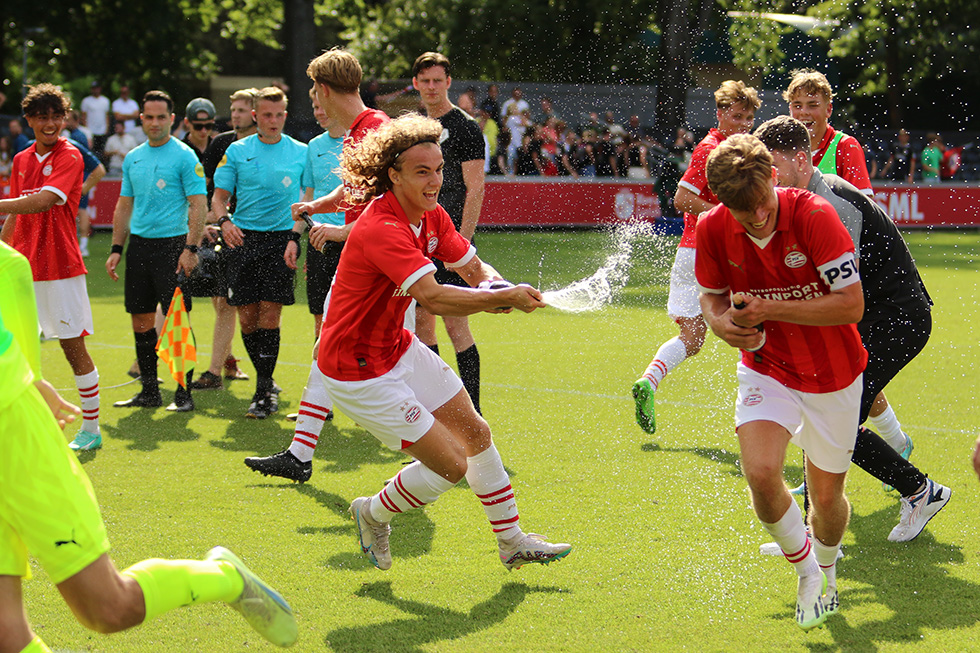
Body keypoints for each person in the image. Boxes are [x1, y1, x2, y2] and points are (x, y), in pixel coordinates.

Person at [0, 239, 299, 652]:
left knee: (107, 609)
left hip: (13, 436)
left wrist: (28, 382)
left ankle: (224, 578)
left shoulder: (7, 264)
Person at [320, 112, 571, 571]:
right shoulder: (382, 228)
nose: (435, 181)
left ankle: (512, 541)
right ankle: (370, 512)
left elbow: (475, 270)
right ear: (393, 175)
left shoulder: (432, 215)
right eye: (422, 172)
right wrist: (494, 299)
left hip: (395, 347)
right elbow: (432, 296)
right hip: (357, 372)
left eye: (439, 169)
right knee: (452, 466)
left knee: (476, 431)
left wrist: (497, 287)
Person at [696, 133, 866, 629]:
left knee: (828, 500)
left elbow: (851, 304)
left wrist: (770, 307)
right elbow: (711, 297)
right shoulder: (712, 227)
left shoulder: (813, 214)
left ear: (775, 176)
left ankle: (829, 570)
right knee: (762, 473)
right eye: (744, 213)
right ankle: (809, 571)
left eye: (763, 206)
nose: (758, 219)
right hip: (766, 367)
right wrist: (719, 322)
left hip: (834, 376)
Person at [755, 115, 951, 543]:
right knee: (820, 416)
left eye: (772, 167)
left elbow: (844, 292)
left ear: (803, 161)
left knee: (831, 421)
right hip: (874, 320)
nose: (765, 178)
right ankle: (823, 533)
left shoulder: (834, 203)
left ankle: (920, 491)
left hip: (897, 321)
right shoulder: (799, 199)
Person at [244, 47, 389, 481]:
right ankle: (300, 453)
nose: (315, 101)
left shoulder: (373, 130)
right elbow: (356, 190)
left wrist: (343, 232)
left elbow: (386, 202)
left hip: (379, 262)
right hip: (365, 259)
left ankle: (447, 445)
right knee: (328, 345)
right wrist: (319, 204)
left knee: (397, 356)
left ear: (324, 89)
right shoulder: (365, 128)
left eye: (314, 92)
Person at [632, 80, 760, 433]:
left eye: (748, 118)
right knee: (755, 327)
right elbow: (682, 200)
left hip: (691, 251)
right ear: (719, 114)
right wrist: (730, 215)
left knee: (692, 337)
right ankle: (759, 414)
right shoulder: (711, 148)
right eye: (736, 116)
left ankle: (649, 382)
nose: (743, 124)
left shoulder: (739, 147)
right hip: (712, 252)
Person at [0, 83, 103, 452]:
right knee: (17, 350)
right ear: (28, 119)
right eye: (41, 117)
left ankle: (91, 429)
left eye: (56, 116)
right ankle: (25, 427)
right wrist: (4, 249)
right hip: (23, 269)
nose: (50, 124)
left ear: (65, 118)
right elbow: (15, 210)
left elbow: (42, 202)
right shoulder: (22, 160)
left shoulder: (70, 155)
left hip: (60, 266)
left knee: (72, 348)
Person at [105, 90, 206, 413]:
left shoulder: (185, 156)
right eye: (149, 117)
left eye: (161, 117)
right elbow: (124, 205)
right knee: (140, 319)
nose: (155, 123)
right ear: (141, 119)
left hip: (173, 246)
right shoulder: (133, 156)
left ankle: (183, 393)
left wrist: (191, 248)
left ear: (172, 119)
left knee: (177, 320)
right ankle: (149, 391)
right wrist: (117, 248)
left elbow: (198, 205)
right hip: (139, 247)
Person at [212, 86, 307, 419]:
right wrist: (224, 221)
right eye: (267, 115)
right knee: (247, 318)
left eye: (279, 114)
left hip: (281, 240)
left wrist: (296, 237)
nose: (273, 121)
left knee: (270, 315)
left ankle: (263, 389)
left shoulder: (301, 151)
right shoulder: (237, 151)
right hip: (243, 241)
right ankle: (266, 383)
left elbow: (309, 200)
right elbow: (218, 198)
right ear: (255, 116)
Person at [411, 52, 488, 414]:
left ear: (448, 83)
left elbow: (476, 189)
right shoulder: (409, 128)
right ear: (415, 84)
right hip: (415, 241)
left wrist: (463, 243)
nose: (430, 87)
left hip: (450, 240)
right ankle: (437, 411)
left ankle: (473, 412)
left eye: (437, 81)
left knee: (457, 328)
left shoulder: (465, 127)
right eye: (424, 81)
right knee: (423, 327)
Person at [188, 88, 259, 390]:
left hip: (260, 234)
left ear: (255, 113)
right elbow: (204, 188)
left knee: (259, 308)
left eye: (241, 110)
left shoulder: (273, 147)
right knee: (223, 302)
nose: (234, 115)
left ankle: (259, 373)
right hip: (225, 230)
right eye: (233, 109)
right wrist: (207, 221)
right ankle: (220, 367)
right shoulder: (221, 143)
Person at [784, 69, 872, 195]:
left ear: (829, 110)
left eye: (812, 105)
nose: (803, 112)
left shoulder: (846, 147)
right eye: (797, 105)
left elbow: (863, 210)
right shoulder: (782, 149)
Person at [80, 80, 111, 161]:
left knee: (102, 150)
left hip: (102, 130)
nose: (95, 90)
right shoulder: (86, 101)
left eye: (97, 88)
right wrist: (86, 129)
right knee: (92, 150)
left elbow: (106, 115)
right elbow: (83, 116)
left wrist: (107, 128)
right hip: (91, 130)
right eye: (94, 88)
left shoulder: (105, 100)